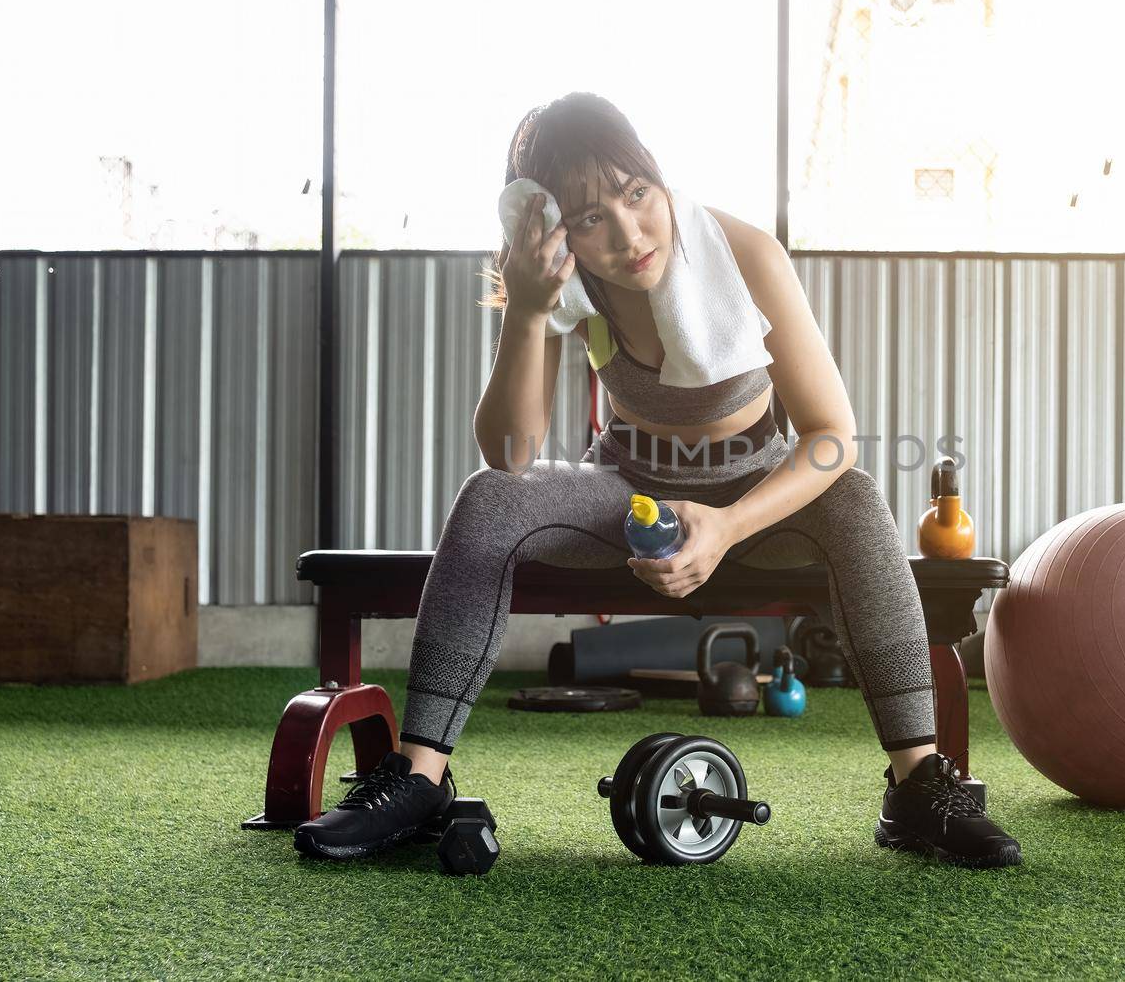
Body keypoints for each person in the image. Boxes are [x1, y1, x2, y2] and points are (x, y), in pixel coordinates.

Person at [294, 92, 1021, 869]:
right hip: (630, 491)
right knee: (489, 496)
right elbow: (509, 451)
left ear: (656, 178)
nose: (629, 232)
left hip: (752, 496)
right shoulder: (569, 286)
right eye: (589, 217)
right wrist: (530, 312)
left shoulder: (747, 256)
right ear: (553, 229)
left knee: (857, 493)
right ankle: (419, 779)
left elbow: (831, 437)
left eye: (636, 194)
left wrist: (727, 525)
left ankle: (916, 787)